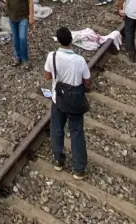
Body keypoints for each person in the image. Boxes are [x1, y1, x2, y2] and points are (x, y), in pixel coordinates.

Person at [45, 26, 92, 180]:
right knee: (77, 132)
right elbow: (87, 81)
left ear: (58, 41)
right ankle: (79, 169)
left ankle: (59, 160)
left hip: (57, 99)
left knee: (57, 129)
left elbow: (47, 76)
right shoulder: (79, 60)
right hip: (75, 101)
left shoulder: (52, 56)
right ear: (71, 41)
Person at [3, 0, 34, 66]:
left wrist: (31, 16)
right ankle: (18, 57)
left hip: (23, 17)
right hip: (12, 16)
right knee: (15, 38)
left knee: (22, 38)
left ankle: (25, 59)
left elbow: (30, 1)